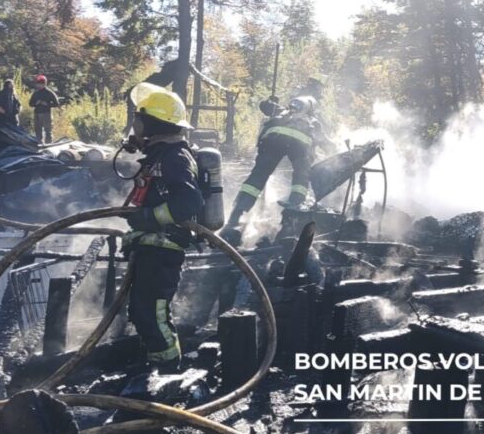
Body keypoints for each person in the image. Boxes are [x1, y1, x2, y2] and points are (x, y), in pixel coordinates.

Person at [121, 83, 203, 373]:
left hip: (163, 249)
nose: (135, 123)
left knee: (152, 313)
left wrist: (148, 218)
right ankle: (156, 365)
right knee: (140, 312)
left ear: (153, 122)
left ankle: (169, 370)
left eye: (139, 118)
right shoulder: (161, 154)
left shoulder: (175, 157)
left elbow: (189, 202)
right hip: (151, 246)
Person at [220, 78, 331, 242]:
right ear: (311, 109)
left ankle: (234, 220)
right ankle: (291, 217)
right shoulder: (313, 121)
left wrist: (270, 101)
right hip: (298, 148)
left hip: (272, 141)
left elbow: (263, 106)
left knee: (255, 180)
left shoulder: (281, 111)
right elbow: (326, 144)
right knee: (301, 178)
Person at [28, 75, 60, 143]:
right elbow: (30, 104)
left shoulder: (49, 93)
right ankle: (39, 144)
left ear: (44, 84)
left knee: (48, 131)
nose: (39, 85)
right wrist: (36, 103)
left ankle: (49, 144)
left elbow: (56, 103)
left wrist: (47, 104)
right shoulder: (35, 93)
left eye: (41, 84)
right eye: (38, 84)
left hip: (46, 113)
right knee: (37, 130)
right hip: (37, 113)